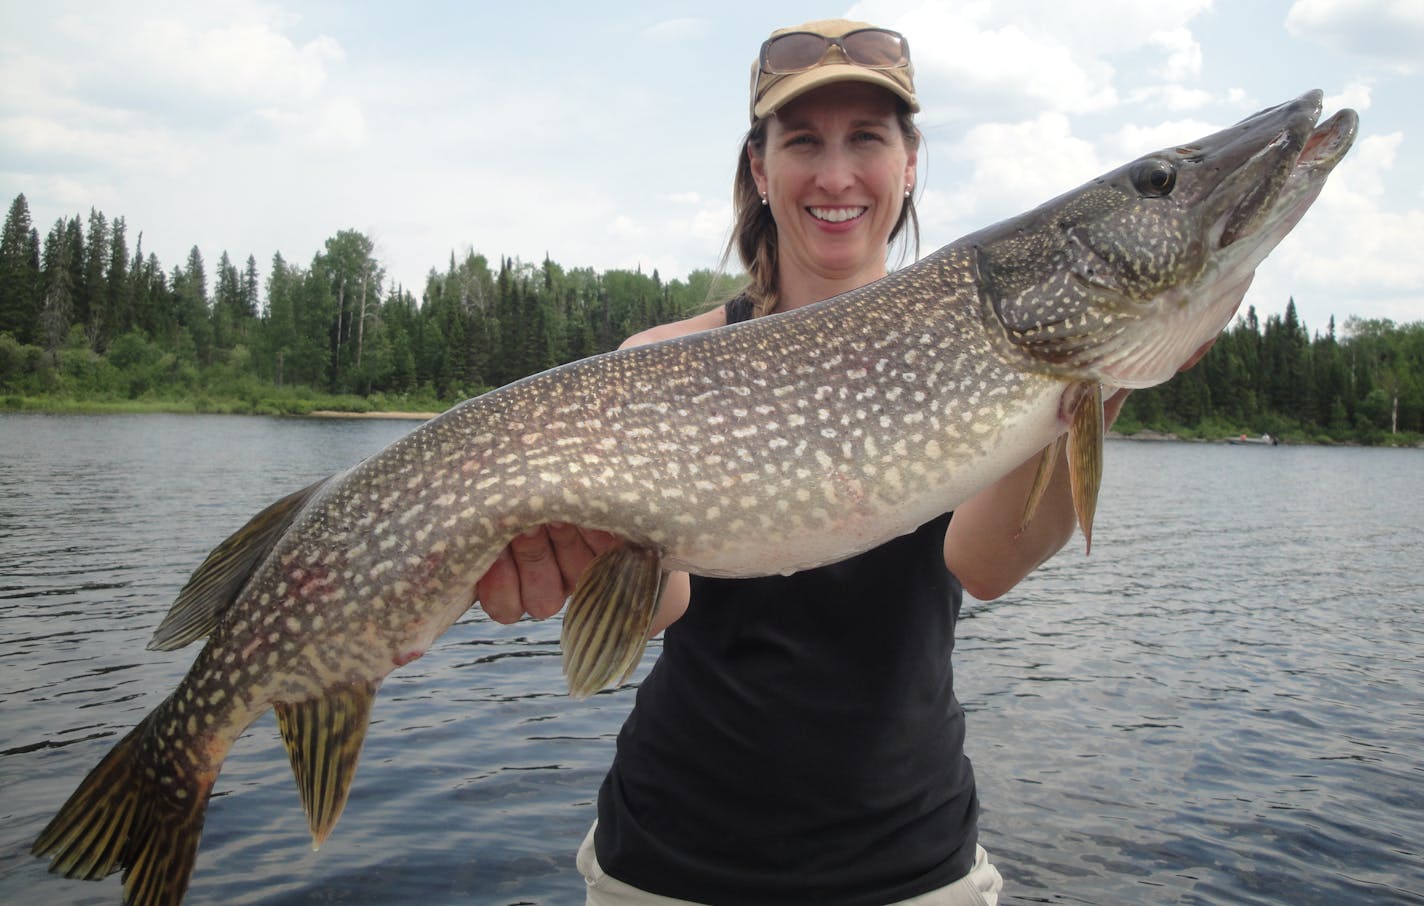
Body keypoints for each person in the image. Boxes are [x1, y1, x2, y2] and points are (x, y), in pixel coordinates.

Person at [475, 18, 1139, 905]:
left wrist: (1097, 379)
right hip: (671, 865)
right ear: (760, 167)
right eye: (803, 142)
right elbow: (660, 604)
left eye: (866, 138)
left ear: (909, 163)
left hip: (910, 866)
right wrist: (572, 557)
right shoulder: (661, 361)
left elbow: (985, 563)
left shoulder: (982, 351)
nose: (835, 175)